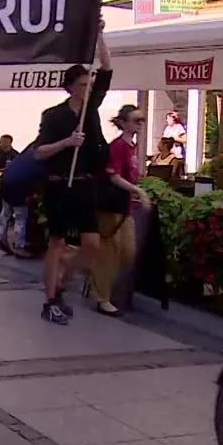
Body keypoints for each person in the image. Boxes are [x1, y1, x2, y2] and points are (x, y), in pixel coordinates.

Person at [34, 22, 113, 325]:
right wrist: (67, 142)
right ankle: (51, 299)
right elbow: (40, 152)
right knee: (57, 241)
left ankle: (64, 269)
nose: (88, 87)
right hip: (59, 186)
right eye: (82, 84)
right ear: (70, 88)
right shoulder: (53, 116)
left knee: (92, 245)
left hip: (85, 185)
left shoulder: (91, 108)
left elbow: (106, 67)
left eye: (89, 83)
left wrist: (100, 34)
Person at [87, 105, 151, 317]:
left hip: (124, 207)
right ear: (123, 122)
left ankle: (92, 279)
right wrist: (138, 191)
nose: (140, 125)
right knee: (110, 254)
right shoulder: (118, 147)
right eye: (136, 120)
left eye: (142, 120)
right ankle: (101, 297)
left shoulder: (130, 147)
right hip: (111, 206)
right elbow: (113, 176)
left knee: (126, 253)